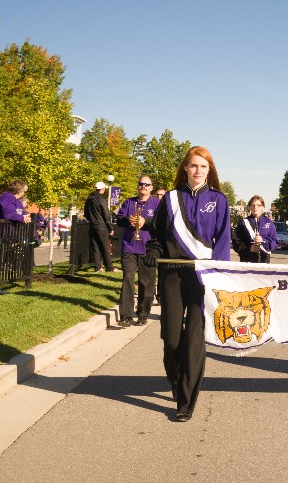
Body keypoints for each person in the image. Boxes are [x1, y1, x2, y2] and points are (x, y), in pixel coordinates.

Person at [144, 146, 231, 422]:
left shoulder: (219, 201)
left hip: (201, 277)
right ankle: (175, 376)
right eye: (193, 166)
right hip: (171, 274)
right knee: (171, 339)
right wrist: (154, 251)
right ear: (185, 168)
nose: (198, 171)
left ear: (210, 170)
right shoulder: (169, 199)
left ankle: (186, 401)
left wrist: (220, 279)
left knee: (194, 339)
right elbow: (157, 235)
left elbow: (223, 242)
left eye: (203, 167)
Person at [115, 176, 160, 326]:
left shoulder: (157, 203)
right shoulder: (129, 202)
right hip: (129, 247)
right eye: (141, 184)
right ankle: (126, 316)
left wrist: (144, 221)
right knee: (128, 279)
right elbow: (118, 219)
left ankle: (142, 314)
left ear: (151, 187)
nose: (144, 186)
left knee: (146, 283)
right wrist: (128, 219)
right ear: (138, 186)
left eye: (147, 184)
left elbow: (162, 223)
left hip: (148, 248)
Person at [0, 180, 33, 293]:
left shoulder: (16, 201)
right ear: (20, 191)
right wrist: (22, 218)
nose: (25, 192)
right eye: (25, 190)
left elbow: (20, 213)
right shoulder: (7, 197)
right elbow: (8, 214)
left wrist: (25, 217)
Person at [233, 195, 278, 263]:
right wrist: (249, 248)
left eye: (258, 205)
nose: (255, 207)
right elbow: (236, 242)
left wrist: (263, 241)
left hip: (264, 261)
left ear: (263, 207)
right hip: (246, 261)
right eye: (253, 205)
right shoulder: (243, 223)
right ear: (250, 207)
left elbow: (275, 242)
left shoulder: (269, 223)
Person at [84, 181, 116, 273]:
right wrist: (110, 228)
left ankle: (97, 268)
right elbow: (106, 214)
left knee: (95, 247)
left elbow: (86, 213)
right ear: (102, 189)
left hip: (92, 226)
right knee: (105, 247)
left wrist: (91, 220)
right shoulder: (101, 199)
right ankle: (109, 267)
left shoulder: (89, 199)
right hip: (101, 226)